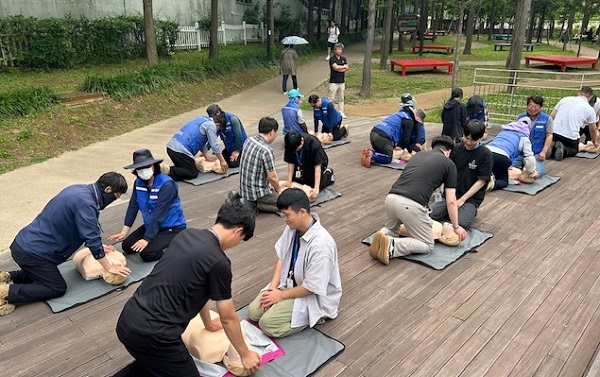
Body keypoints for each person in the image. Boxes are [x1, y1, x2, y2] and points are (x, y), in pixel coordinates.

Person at [114, 199, 261, 377]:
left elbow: (196, 289)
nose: (237, 244)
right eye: (241, 239)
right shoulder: (219, 262)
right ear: (238, 231)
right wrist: (245, 354)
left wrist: (207, 322)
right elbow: (228, 317)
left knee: (150, 365)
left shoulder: (186, 235)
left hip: (128, 320)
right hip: (155, 334)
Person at [0, 172, 131, 315]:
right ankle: (5, 292)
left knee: (41, 274)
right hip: (34, 253)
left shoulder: (78, 190)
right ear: (108, 190)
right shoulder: (87, 204)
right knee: (56, 287)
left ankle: (5, 276)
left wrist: (101, 248)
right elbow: (92, 237)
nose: (115, 199)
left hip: (23, 243)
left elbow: (86, 231)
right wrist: (109, 266)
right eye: (116, 196)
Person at [247, 188, 342, 338]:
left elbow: (312, 287)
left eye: (287, 215)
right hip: (291, 285)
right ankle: (284, 307)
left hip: (312, 295)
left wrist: (281, 296)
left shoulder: (322, 245)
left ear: (302, 212)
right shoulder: (292, 228)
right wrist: (272, 290)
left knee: (267, 324)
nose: (285, 219)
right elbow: (282, 257)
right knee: (253, 312)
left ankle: (316, 318)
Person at [368, 136, 467, 265]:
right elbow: (451, 201)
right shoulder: (449, 164)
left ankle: (381, 235)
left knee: (392, 230)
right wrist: (456, 226)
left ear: (433, 147)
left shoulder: (418, 156)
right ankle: (392, 246)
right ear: (448, 152)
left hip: (391, 198)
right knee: (427, 244)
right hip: (410, 204)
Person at [108, 149, 186, 262]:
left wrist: (146, 239)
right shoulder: (138, 183)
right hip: (151, 225)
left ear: (153, 166)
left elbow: (159, 214)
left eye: (147, 166)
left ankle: (175, 247)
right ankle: (155, 239)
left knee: (148, 254)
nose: (143, 170)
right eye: (140, 168)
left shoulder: (167, 185)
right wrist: (124, 231)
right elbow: (133, 206)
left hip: (171, 227)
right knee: (127, 246)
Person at [430, 120, 493, 229]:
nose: (468, 142)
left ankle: (467, 211)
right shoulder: (456, 148)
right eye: (466, 138)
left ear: (480, 138)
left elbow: (481, 181)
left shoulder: (485, 154)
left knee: (462, 223)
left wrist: (462, 200)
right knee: (431, 215)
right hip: (450, 194)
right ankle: (450, 211)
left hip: (470, 199)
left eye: (473, 140)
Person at [239, 116, 286, 213]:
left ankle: (247, 202)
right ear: (272, 132)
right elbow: (272, 177)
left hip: (244, 189)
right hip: (258, 193)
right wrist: (279, 191)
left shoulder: (249, 140)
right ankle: (255, 205)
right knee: (287, 204)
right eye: (276, 133)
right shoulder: (267, 150)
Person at [360, 101, 426, 168]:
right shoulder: (409, 121)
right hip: (384, 136)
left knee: (382, 153)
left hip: (373, 132)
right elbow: (406, 139)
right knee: (388, 158)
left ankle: (369, 153)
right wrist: (411, 150)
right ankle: (373, 155)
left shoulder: (400, 114)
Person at [165, 113, 228, 181]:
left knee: (182, 170)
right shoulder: (211, 125)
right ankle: (170, 170)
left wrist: (206, 156)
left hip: (171, 148)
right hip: (180, 151)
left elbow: (201, 141)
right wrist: (222, 160)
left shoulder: (202, 119)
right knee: (192, 172)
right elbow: (214, 144)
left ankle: (164, 175)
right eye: (219, 129)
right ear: (218, 124)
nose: (217, 131)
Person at [486, 117, 538, 190]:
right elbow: (529, 158)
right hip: (501, 156)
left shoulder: (503, 132)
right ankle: (491, 184)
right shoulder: (524, 138)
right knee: (503, 181)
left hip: (486, 152)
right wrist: (532, 173)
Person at [547, 88, 598, 161]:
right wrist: (594, 141)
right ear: (590, 97)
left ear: (578, 93)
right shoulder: (590, 109)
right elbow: (593, 129)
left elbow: (551, 117)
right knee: (574, 150)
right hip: (570, 137)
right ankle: (564, 150)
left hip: (553, 133)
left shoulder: (564, 99)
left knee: (553, 142)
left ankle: (550, 145)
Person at [283, 131, 334, 201]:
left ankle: (328, 174)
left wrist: (316, 188)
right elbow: (291, 162)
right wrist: (289, 180)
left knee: (312, 187)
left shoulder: (314, 144)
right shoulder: (290, 143)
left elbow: (317, 167)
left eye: (297, 149)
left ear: (302, 141)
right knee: (296, 183)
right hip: (300, 164)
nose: (295, 151)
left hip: (316, 163)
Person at [513, 95, 553, 175]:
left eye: (536, 106)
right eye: (530, 105)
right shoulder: (521, 117)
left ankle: (524, 169)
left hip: (536, 154)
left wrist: (543, 152)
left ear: (540, 107)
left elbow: (549, 135)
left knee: (536, 173)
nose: (533, 108)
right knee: (505, 167)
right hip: (520, 153)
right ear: (527, 106)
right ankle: (521, 168)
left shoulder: (547, 119)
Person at [206, 104, 248, 168]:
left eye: (213, 116)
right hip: (229, 148)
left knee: (232, 164)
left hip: (240, 147)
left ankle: (245, 157)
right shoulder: (218, 122)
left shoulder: (233, 119)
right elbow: (213, 137)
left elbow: (238, 136)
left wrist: (237, 151)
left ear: (218, 113)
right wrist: (206, 149)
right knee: (221, 160)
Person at [328, 42, 348, 118]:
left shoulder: (343, 59)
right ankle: (330, 112)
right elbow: (335, 67)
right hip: (333, 82)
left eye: (341, 49)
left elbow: (347, 67)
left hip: (342, 81)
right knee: (331, 98)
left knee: (341, 98)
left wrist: (340, 68)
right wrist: (342, 68)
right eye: (338, 49)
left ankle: (341, 112)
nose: (340, 51)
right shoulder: (332, 59)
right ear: (335, 50)